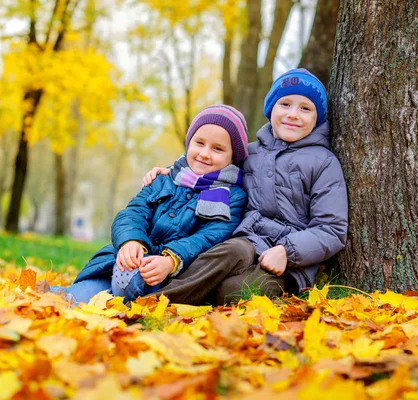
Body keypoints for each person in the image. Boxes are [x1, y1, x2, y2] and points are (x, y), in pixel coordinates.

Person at [143, 68, 348, 305]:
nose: (293, 114)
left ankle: (173, 301)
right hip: (247, 241)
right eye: (285, 104)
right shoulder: (250, 153)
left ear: (317, 118)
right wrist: (170, 172)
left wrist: (287, 252)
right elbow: (209, 165)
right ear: (271, 109)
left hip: (289, 262)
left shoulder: (324, 162)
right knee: (228, 252)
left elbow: (331, 229)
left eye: (305, 108)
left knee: (230, 292)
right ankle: (152, 303)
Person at [52, 105, 249, 303]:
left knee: (128, 282)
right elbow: (133, 213)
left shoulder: (232, 196)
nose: (205, 154)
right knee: (72, 299)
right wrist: (131, 241)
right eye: (200, 143)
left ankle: (122, 300)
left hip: (165, 276)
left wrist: (171, 260)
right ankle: (57, 296)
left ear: (232, 156)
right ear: (189, 143)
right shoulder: (163, 179)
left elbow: (209, 237)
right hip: (123, 261)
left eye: (218, 149)